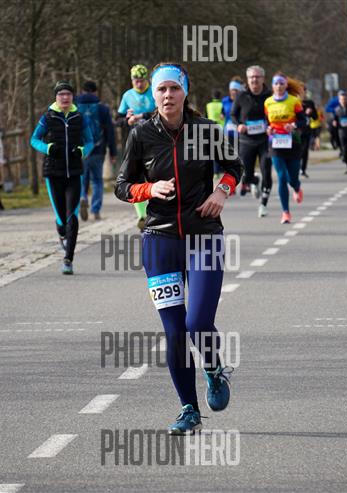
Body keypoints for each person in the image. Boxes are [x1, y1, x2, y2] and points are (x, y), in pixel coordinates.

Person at [115, 62, 243, 435]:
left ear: (185, 92)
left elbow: (235, 166)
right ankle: (189, 409)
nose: (167, 95)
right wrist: (148, 189)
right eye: (161, 89)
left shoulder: (207, 131)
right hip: (160, 240)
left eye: (174, 88)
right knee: (174, 331)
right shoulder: (141, 134)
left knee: (197, 322)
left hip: (204, 236)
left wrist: (222, 191)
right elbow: (122, 185)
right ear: (153, 95)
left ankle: (213, 369)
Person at [30, 80, 94, 275]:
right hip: (53, 173)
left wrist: (82, 151)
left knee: (71, 216)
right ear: (56, 97)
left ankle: (68, 259)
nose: (65, 97)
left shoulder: (79, 117)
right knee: (61, 218)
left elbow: (90, 141)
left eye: (68, 94)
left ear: (72, 97)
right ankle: (61, 231)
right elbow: (34, 139)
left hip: (74, 173)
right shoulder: (48, 117)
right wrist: (48, 148)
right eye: (61, 94)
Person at [116, 64, 156, 230]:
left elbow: (162, 112)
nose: (139, 84)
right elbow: (118, 120)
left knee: (154, 176)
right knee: (134, 177)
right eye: (135, 81)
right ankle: (142, 215)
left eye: (141, 81)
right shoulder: (127, 95)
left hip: (155, 140)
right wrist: (128, 120)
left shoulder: (154, 92)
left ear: (147, 80)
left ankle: (155, 211)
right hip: (135, 142)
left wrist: (142, 116)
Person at [264, 73, 306, 224]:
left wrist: (293, 125)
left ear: (286, 85)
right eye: (276, 83)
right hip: (275, 144)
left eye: (282, 83)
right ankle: (285, 212)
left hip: (293, 142)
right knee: (281, 177)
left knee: (292, 178)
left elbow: (303, 121)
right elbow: (266, 121)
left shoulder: (294, 101)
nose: (279, 86)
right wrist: (268, 129)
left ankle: (297, 187)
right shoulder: (268, 102)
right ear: (272, 86)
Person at [230, 65, 271, 211]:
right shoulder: (241, 95)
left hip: (265, 139)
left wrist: (271, 126)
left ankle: (264, 203)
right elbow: (233, 114)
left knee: (266, 168)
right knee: (245, 175)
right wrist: (239, 125)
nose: (254, 80)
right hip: (246, 140)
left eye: (257, 77)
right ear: (247, 79)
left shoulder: (269, 96)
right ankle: (254, 180)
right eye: (251, 77)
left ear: (263, 79)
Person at [76, 81, 117, 221]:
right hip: (98, 149)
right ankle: (95, 210)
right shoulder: (102, 108)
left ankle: (82, 197)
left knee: (81, 179)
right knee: (97, 181)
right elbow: (110, 132)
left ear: (82, 91)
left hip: (80, 150)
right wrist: (113, 152)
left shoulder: (75, 107)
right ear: (95, 92)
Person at [297, 85, 318, 179]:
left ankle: (303, 169)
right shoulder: (294, 103)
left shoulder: (310, 103)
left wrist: (311, 112)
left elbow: (315, 117)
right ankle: (296, 167)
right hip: (296, 131)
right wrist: (305, 114)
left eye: (303, 92)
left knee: (305, 150)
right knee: (297, 150)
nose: (301, 94)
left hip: (306, 130)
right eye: (299, 92)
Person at [206, 89, 226, 178]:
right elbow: (223, 116)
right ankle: (220, 170)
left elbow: (205, 117)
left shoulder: (208, 105)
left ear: (212, 96)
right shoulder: (222, 105)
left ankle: (214, 172)